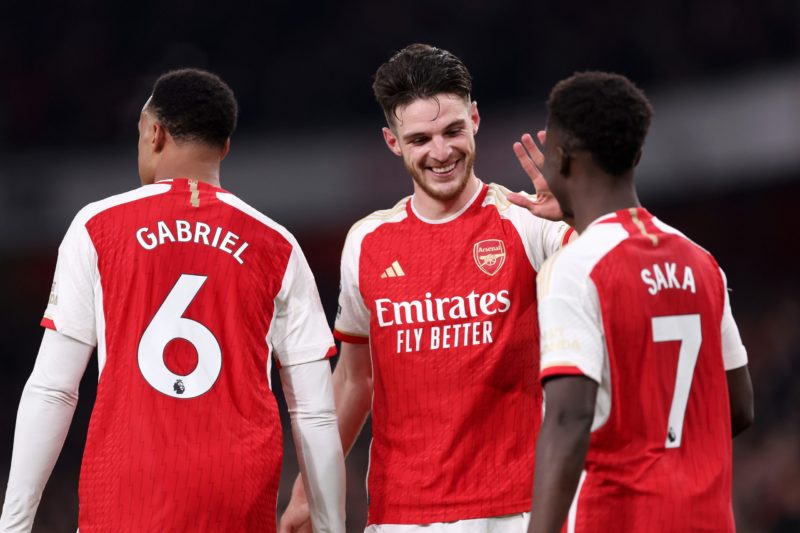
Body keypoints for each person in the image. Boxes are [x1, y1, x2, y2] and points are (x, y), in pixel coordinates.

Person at [0, 68, 345, 533]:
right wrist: (331, 527)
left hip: (126, 497)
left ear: (154, 132)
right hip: (235, 500)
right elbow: (314, 413)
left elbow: (53, 389)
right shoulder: (277, 245)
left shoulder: (98, 228)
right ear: (225, 147)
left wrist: (14, 524)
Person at [280, 44, 572, 533]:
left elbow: (617, 270)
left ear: (475, 119)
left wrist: (580, 215)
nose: (440, 152)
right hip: (402, 517)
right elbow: (356, 380)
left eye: (452, 130)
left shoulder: (527, 222)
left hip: (519, 511)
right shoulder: (367, 243)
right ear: (392, 142)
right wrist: (307, 492)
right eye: (419, 139)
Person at [529, 71, 754, 533]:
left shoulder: (575, 268)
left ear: (562, 155)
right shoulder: (701, 262)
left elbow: (569, 420)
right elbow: (740, 407)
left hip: (620, 517)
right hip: (707, 519)